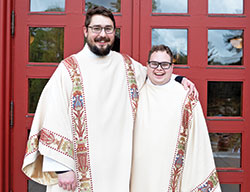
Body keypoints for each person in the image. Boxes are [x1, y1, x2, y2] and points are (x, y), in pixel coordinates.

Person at [22, 6, 196, 192]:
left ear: (114, 32)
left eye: (108, 29)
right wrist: (62, 167)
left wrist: (179, 79)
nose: (102, 34)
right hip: (77, 171)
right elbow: (54, 115)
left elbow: (152, 74)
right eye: (96, 28)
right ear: (85, 31)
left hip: (116, 169)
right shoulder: (69, 69)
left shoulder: (126, 65)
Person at [130, 45, 221, 192]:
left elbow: (199, 140)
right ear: (147, 65)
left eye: (165, 64)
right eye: (154, 64)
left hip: (171, 170)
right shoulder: (135, 91)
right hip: (140, 171)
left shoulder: (185, 96)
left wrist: (179, 79)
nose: (159, 68)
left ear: (172, 67)